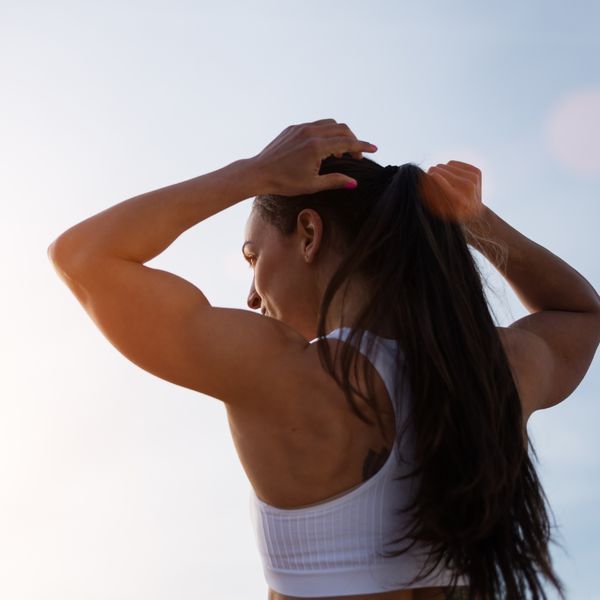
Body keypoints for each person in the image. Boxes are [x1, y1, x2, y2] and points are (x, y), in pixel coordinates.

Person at [48, 118, 600, 600]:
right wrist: (472, 220)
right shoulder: (495, 371)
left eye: (252, 257)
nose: (250, 296)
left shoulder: (281, 374)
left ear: (308, 233)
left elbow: (83, 257)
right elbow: (581, 314)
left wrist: (254, 173)